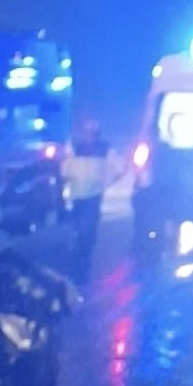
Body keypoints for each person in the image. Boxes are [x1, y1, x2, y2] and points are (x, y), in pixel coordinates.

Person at [64, 119, 121, 284]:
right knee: (78, 233)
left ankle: (83, 269)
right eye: (86, 133)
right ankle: (77, 267)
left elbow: (119, 168)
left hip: (92, 197)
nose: (89, 136)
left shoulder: (104, 150)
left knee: (86, 234)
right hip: (77, 198)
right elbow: (65, 170)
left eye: (92, 133)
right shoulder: (74, 147)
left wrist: (105, 183)